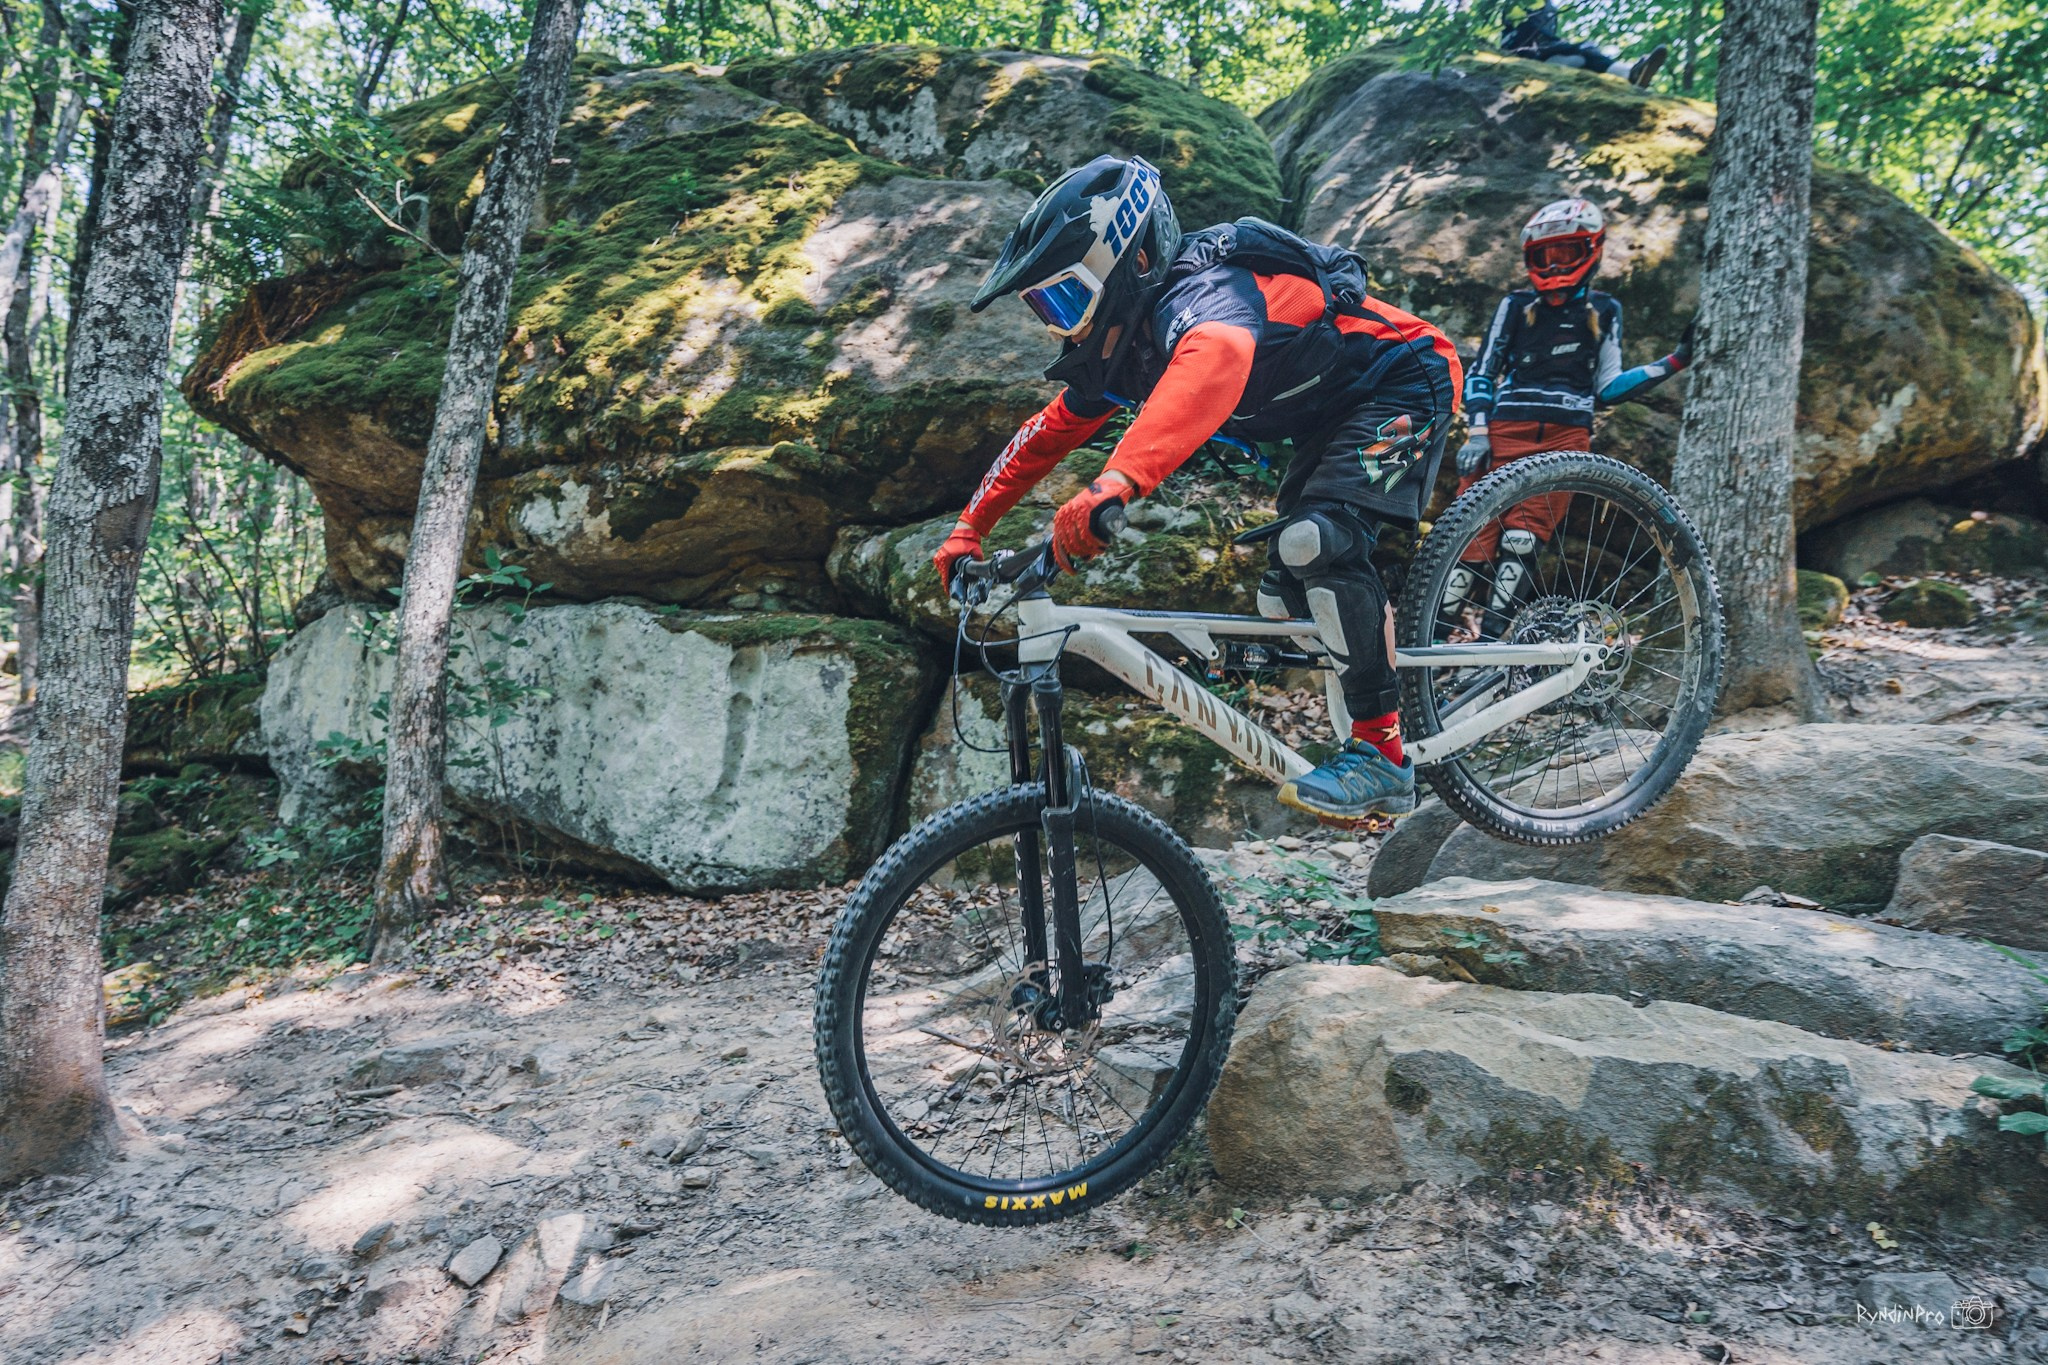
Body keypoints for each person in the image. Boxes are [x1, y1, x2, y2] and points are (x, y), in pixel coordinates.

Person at [931, 155, 1462, 823]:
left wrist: (1116, 483)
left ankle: (1383, 753)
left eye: (1064, 298)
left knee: (1314, 543)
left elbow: (1218, 357)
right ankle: (1360, 659)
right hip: (1328, 414)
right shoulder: (1127, 347)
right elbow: (1047, 432)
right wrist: (969, 527)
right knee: (1282, 596)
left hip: (1405, 379)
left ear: (1135, 262)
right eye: (1044, 308)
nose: (1058, 327)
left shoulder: (1206, 291)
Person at [1440, 197, 1692, 639]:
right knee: (1471, 534)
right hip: (1504, 431)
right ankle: (1432, 638)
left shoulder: (1605, 310)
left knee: (1525, 536)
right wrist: (1477, 433)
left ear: (1591, 250)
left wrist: (1675, 361)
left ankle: (1494, 642)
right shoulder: (1515, 305)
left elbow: (1608, 387)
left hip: (1566, 438)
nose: (1554, 266)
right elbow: (1484, 370)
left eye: (1566, 254)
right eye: (1545, 256)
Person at [1501, 2, 1668, 87]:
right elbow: (1523, 40)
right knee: (1585, 51)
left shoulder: (1547, 7)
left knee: (1584, 55)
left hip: (1550, 58)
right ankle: (1630, 73)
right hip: (1534, 60)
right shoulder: (1521, 5)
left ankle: (1632, 73)